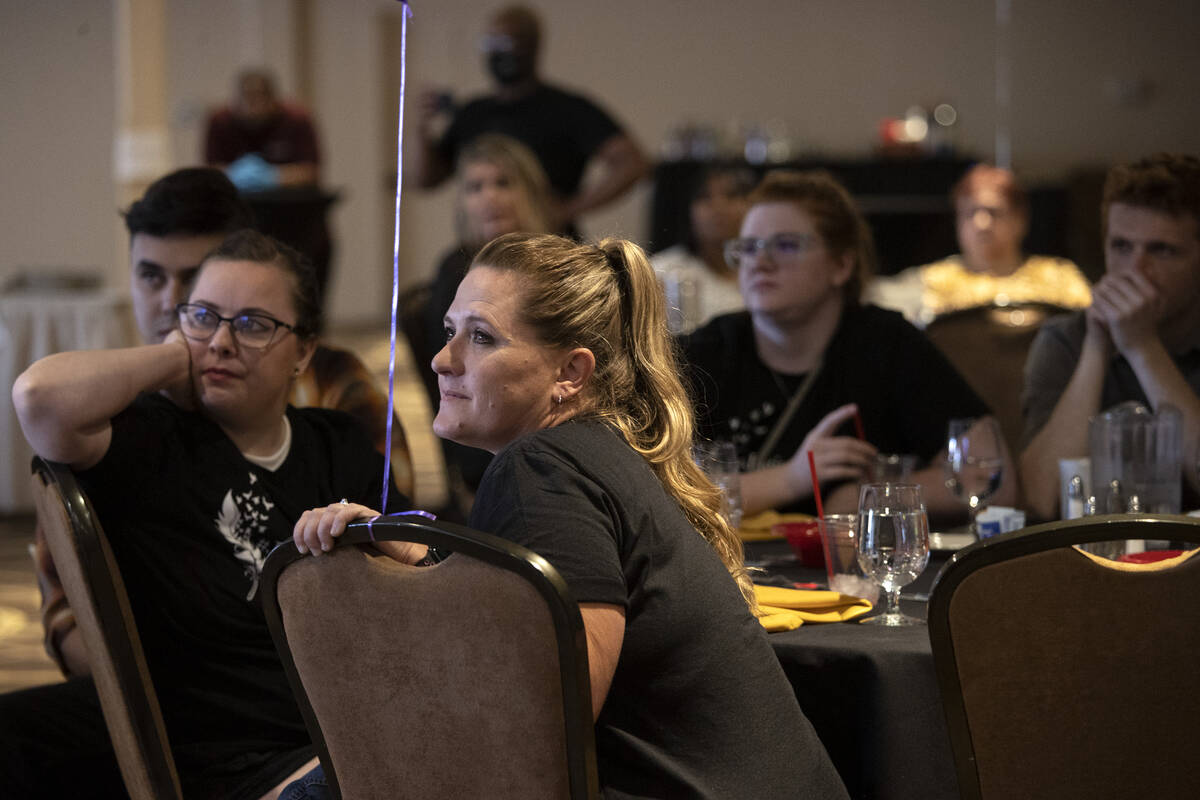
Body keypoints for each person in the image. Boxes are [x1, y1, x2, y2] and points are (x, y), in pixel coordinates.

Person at [289, 232, 849, 798]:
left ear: (570, 374)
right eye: (449, 331)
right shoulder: (589, 450)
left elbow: (548, 720)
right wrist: (427, 564)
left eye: (481, 338)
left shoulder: (541, 469)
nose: (442, 360)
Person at [4, 230, 408, 799]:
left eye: (252, 325)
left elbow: (401, 608)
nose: (221, 342)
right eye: (204, 316)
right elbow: (38, 399)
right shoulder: (153, 441)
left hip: (339, 740)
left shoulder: (338, 446)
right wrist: (179, 352)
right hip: (217, 762)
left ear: (304, 352)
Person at [33, 167, 414, 678]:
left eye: (192, 279)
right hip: (190, 694)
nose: (169, 303)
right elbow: (39, 403)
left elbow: (408, 556)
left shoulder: (333, 404)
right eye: (152, 277)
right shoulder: (115, 414)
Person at [682, 170, 1015, 521]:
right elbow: (657, 497)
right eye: (748, 247)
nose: (760, 262)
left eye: (786, 245)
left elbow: (995, 480)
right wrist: (792, 478)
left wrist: (864, 498)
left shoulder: (888, 343)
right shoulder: (707, 350)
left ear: (841, 264)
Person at [1020, 153, 1200, 520]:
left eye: (1161, 250)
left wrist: (1141, 346)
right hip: (1095, 565)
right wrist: (1097, 346)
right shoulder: (1063, 341)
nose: (1136, 270)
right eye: (1121, 246)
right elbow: (1042, 499)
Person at [415, 5, 647, 233]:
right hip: (486, 245)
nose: (491, 195)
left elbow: (632, 163)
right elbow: (428, 179)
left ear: (531, 46)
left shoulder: (567, 109)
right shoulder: (473, 113)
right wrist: (421, 130)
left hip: (548, 243)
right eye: (490, 43)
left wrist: (569, 209)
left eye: (507, 42)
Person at [418, 134, 555, 511]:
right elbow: (451, 378)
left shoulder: (563, 266)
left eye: (503, 183)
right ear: (462, 202)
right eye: (475, 187)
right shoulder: (454, 272)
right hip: (482, 445)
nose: (490, 197)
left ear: (531, 191)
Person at [867, 163, 1092, 327]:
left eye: (993, 212)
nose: (981, 223)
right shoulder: (930, 282)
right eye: (969, 213)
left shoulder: (1059, 278)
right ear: (957, 221)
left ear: (1020, 219)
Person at [650, 164, 754, 333]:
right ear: (686, 208)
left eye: (732, 195)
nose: (719, 207)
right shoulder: (661, 272)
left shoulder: (768, 266)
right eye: (704, 197)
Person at [205, 69, 321, 189]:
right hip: (234, 197)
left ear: (273, 99)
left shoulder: (297, 119)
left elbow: (310, 171)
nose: (253, 105)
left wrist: (273, 177)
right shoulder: (220, 121)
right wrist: (234, 175)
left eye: (259, 97)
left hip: (286, 198)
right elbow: (210, 171)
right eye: (247, 98)